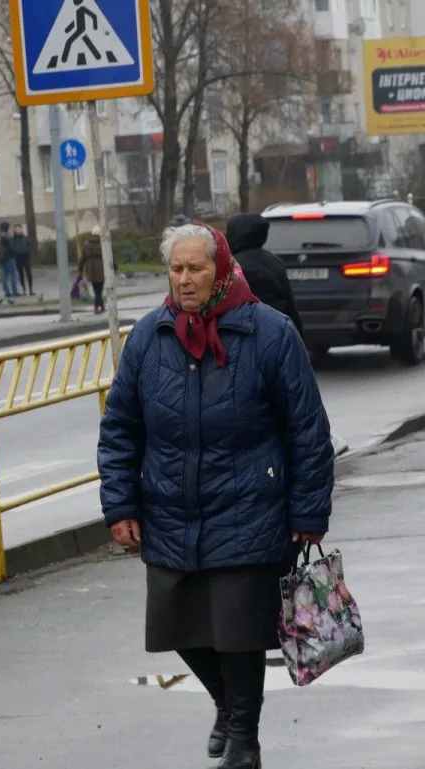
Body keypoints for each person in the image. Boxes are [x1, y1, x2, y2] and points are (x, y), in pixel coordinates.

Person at [97, 222, 335, 769]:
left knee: (237, 630)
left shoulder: (270, 334)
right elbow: (121, 428)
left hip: (251, 504)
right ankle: (227, 706)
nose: (184, 280)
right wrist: (121, 504)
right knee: (178, 623)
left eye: (195, 268)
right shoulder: (150, 338)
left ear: (221, 270)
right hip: (171, 508)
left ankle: (244, 742)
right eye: (176, 270)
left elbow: (308, 429)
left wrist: (309, 509)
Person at [225, 213, 304, 340]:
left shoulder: (231, 265)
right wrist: (298, 335)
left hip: (243, 333)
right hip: (277, 330)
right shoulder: (274, 262)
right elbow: (289, 303)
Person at [77, 225, 106, 314]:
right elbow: (109, 256)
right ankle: (97, 307)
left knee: (95, 289)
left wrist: (80, 270)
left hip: (90, 270)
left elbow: (82, 259)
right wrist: (114, 267)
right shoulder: (103, 243)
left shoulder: (86, 245)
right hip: (101, 269)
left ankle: (101, 306)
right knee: (99, 290)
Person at [0, 221, 20, 298]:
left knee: (4, 275)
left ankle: (7, 292)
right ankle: (15, 291)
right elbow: (11, 247)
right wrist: (14, 255)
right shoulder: (7, 236)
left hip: (2, 258)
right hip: (9, 258)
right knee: (13, 274)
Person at [11, 224, 34, 296]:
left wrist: (28, 249)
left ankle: (30, 289)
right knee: (21, 274)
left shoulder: (25, 237)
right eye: (16, 229)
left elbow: (29, 245)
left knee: (29, 273)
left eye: (19, 229)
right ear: (14, 230)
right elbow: (12, 248)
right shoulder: (13, 239)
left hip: (26, 257)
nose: (18, 230)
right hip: (18, 258)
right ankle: (24, 289)